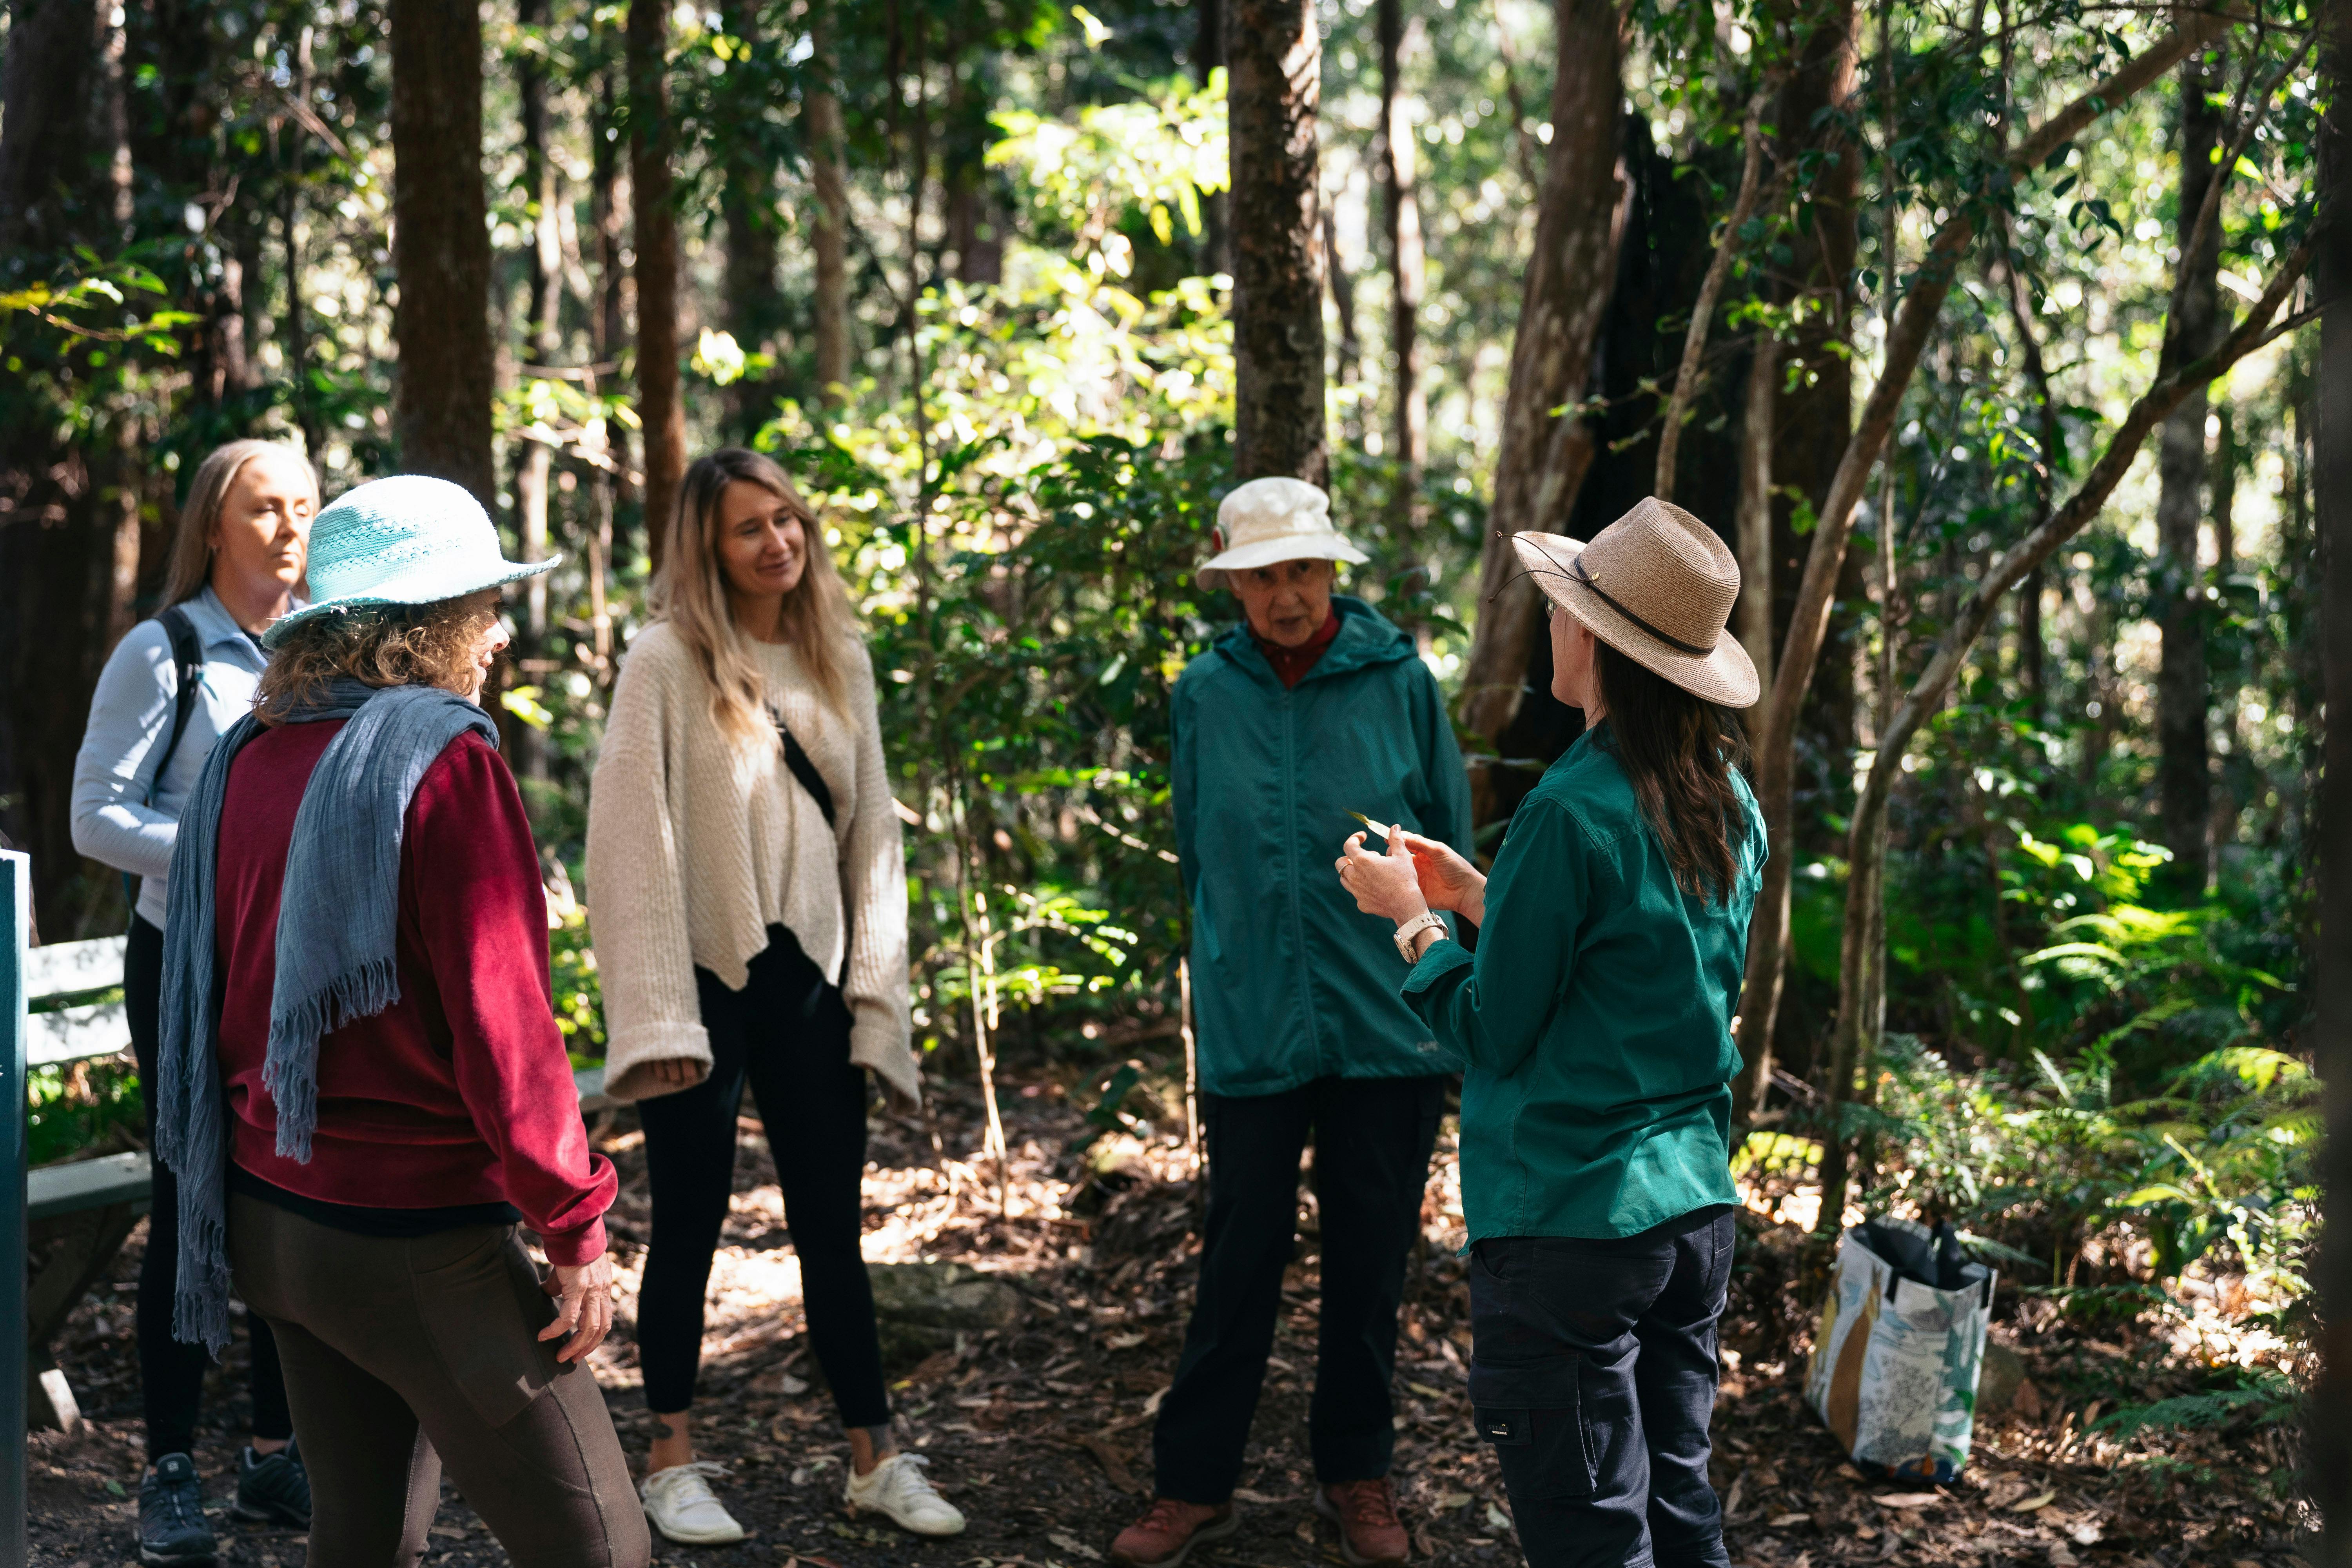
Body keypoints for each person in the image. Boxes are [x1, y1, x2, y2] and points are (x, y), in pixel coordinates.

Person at [152, 475, 648, 1568]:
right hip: (410, 1241)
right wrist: (574, 1224)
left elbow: (221, 990)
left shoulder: (254, 752)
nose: (498, 630)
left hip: (272, 1216)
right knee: (603, 1552)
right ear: (431, 626)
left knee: (363, 1541)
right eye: (482, 604)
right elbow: (504, 1024)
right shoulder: (443, 763)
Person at [1336, 497, 1767, 1568]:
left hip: (1577, 1221)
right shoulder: (1725, 797)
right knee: (1679, 1509)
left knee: (1591, 1537)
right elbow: (1637, 962)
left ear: (1597, 640)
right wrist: (1485, 893)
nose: (1551, 627)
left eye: (1563, 611)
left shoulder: (1571, 810)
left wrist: (1414, 922)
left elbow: (1491, 1028)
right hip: (1692, 1214)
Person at [585, 447, 960, 1545]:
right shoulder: (664, 660)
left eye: (787, 519)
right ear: (709, 545)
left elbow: (876, 829)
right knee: (690, 1222)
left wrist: (876, 998)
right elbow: (628, 841)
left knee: (831, 1228)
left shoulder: (836, 653)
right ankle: (670, 1461)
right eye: (749, 527)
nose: (776, 542)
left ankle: (874, 1459)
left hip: (812, 977)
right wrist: (651, 1012)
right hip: (698, 978)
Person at [1109, 477, 1474, 1568]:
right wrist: (1223, 974)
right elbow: (1199, 853)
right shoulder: (1203, 697)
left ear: (1331, 571)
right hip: (1255, 1022)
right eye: (1263, 575)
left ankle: (1359, 1475)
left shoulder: (1399, 678)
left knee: (1371, 1263)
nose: (1285, 594)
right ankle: (1193, 1485)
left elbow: (1451, 852)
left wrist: (1455, 996)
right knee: (1239, 1258)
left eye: (1302, 571)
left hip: (1391, 1021)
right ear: (1232, 581)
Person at [69, 438, 318, 1562]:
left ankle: (275, 1457)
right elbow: (94, 818)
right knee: (191, 1203)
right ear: (214, 525)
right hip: (182, 963)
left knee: (281, 1199)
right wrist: (227, 855)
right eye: (264, 509)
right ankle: (169, 1469)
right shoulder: (161, 651)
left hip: (287, 969)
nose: (287, 529)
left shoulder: (318, 649)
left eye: (304, 508)